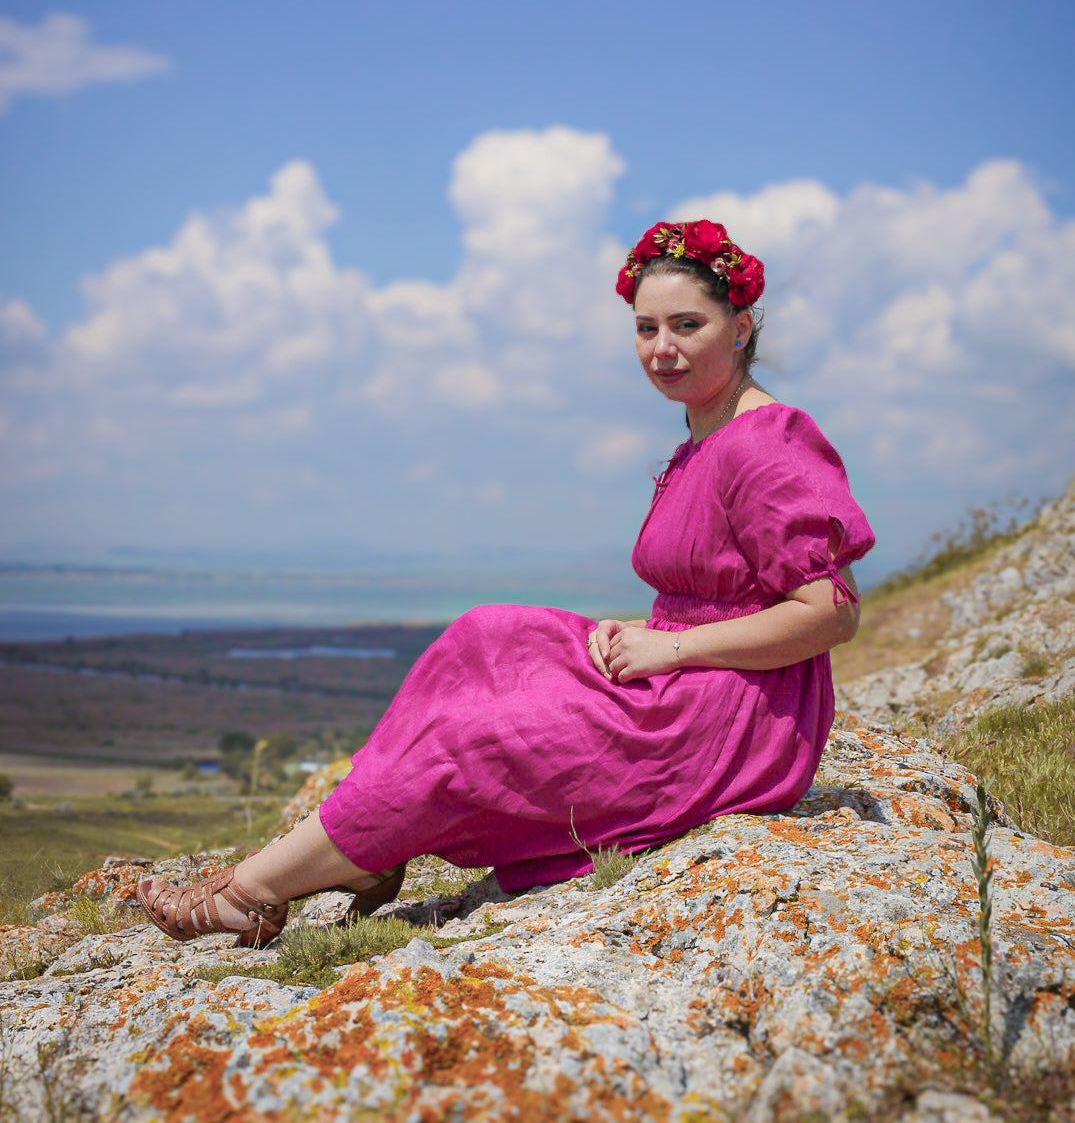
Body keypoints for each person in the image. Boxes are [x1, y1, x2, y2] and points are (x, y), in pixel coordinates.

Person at [137, 218, 874, 948]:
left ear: (740, 327)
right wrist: (654, 635)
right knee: (485, 636)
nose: (662, 348)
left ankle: (253, 893)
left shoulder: (767, 442)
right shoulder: (704, 435)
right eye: (645, 328)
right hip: (693, 663)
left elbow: (829, 613)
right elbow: (719, 584)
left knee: (473, 738)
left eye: (687, 324)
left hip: (735, 713)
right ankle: (364, 851)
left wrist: (673, 652)